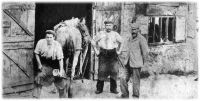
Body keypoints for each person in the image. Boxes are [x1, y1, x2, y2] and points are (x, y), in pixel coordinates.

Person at [32, 30, 70, 98]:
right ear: (45, 37)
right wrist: (39, 64)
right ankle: (35, 97)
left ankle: (63, 98)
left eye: (51, 37)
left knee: (61, 81)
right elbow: (36, 53)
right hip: (45, 65)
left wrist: (61, 70)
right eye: (47, 37)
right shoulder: (41, 42)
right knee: (38, 77)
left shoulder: (57, 45)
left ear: (54, 38)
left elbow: (60, 59)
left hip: (55, 65)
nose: (49, 39)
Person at [92, 20, 123, 94]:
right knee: (101, 71)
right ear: (105, 26)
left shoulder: (115, 34)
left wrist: (119, 51)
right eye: (107, 25)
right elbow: (93, 42)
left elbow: (122, 42)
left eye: (110, 25)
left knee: (114, 71)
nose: (108, 27)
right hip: (103, 53)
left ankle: (113, 89)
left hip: (113, 54)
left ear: (112, 26)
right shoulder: (101, 33)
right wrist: (96, 51)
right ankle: (99, 89)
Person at [119, 23, 149, 98]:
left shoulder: (142, 39)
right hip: (127, 62)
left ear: (138, 30)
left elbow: (145, 52)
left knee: (135, 81)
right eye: (132, 29)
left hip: (136, 63)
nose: (133, 31)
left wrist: (145, 64)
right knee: (122, 78)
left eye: (135, 29)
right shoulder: (130, 38)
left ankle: (135, 96)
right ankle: (125, 95)